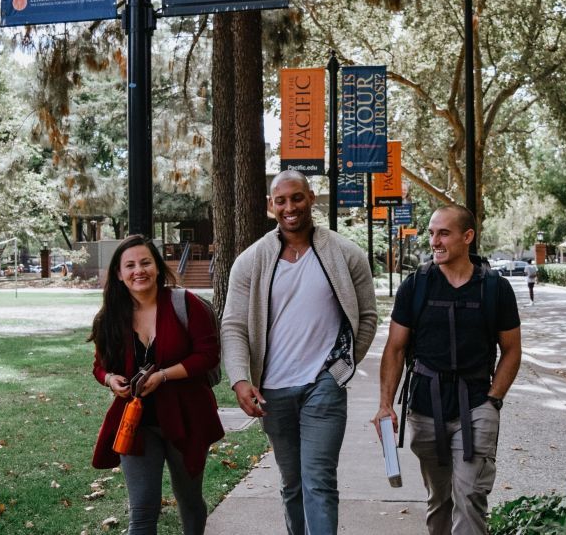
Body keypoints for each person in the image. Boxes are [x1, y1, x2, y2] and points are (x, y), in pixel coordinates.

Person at [221, 170, 378, 535]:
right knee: (292, 483)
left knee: (319, 481)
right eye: (282, 200)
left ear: (311, 198)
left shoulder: (346, 254)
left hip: (323, 387)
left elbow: (367, 318)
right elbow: (234, 325)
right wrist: (241, 379)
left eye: (297, 198)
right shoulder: (251, 260)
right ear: (270, 206)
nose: (290, 207)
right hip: (272, 392)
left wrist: (340, 371)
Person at [374, 204, 522, 535]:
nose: (435, 241)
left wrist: (493, 400)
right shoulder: (416, 286)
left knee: (469, 496)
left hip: (477, 406)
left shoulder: (494, 288)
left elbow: (511, 350)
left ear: (467, 236)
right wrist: (386, 405)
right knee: (439, 500)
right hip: (426, 409)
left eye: (444, 233)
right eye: (431, 233)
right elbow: (395, 348)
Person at [89, 235, 224, 534]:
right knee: (142, 511)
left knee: (189, 500)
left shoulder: (186, 304)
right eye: (130, 265)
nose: (139, 270)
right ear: (119, 273)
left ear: (158, 268)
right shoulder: (110, 317)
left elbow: (208, 355)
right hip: (136, 423)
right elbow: (100, 367)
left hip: (186, 418)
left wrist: (163, 375)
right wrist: (111, 380)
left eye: (146, 262)